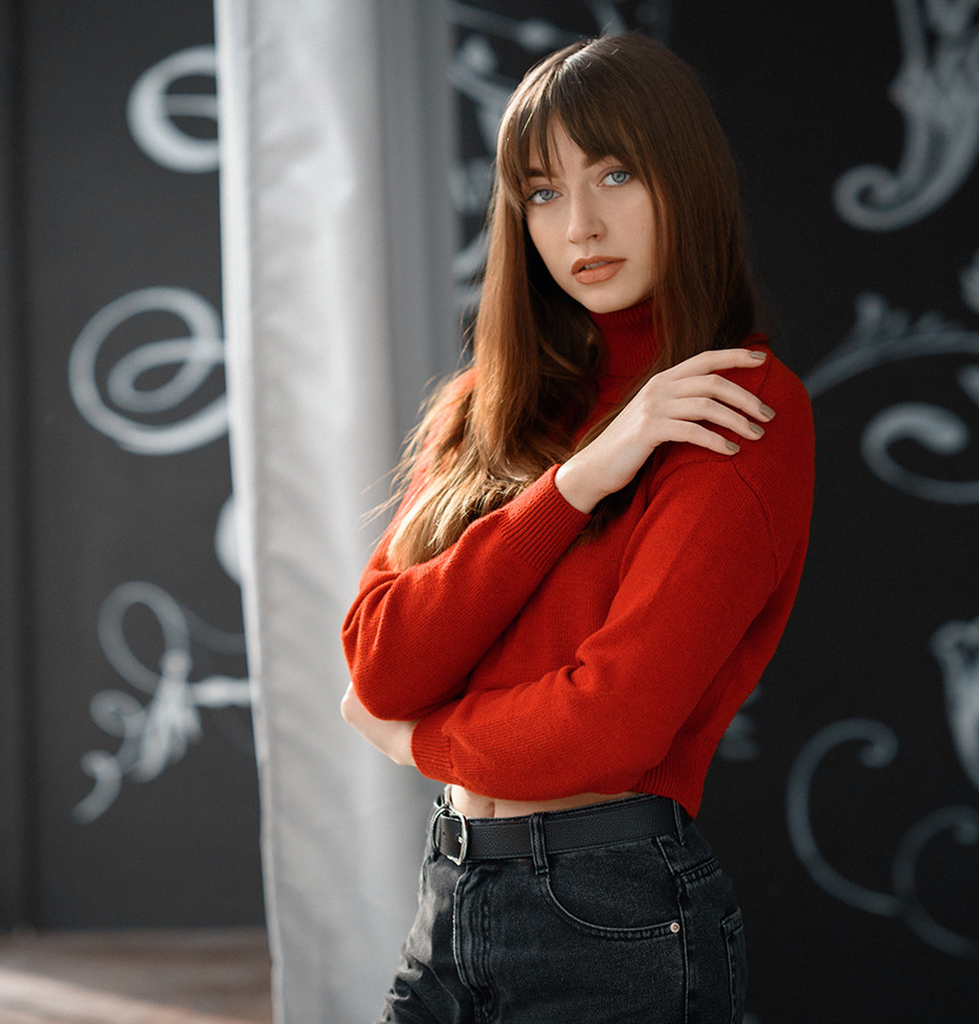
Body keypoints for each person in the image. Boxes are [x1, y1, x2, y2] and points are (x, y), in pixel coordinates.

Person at [340, 32, 813, 1023]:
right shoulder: (487, 403)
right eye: (542, 189)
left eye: (614, 173)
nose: (580, 224)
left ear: (683, 183)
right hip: (448, 896)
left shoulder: (734, 406)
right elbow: (379, 660)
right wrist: (578, 479)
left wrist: (419, 739)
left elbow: (609, 721)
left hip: (613, 916)